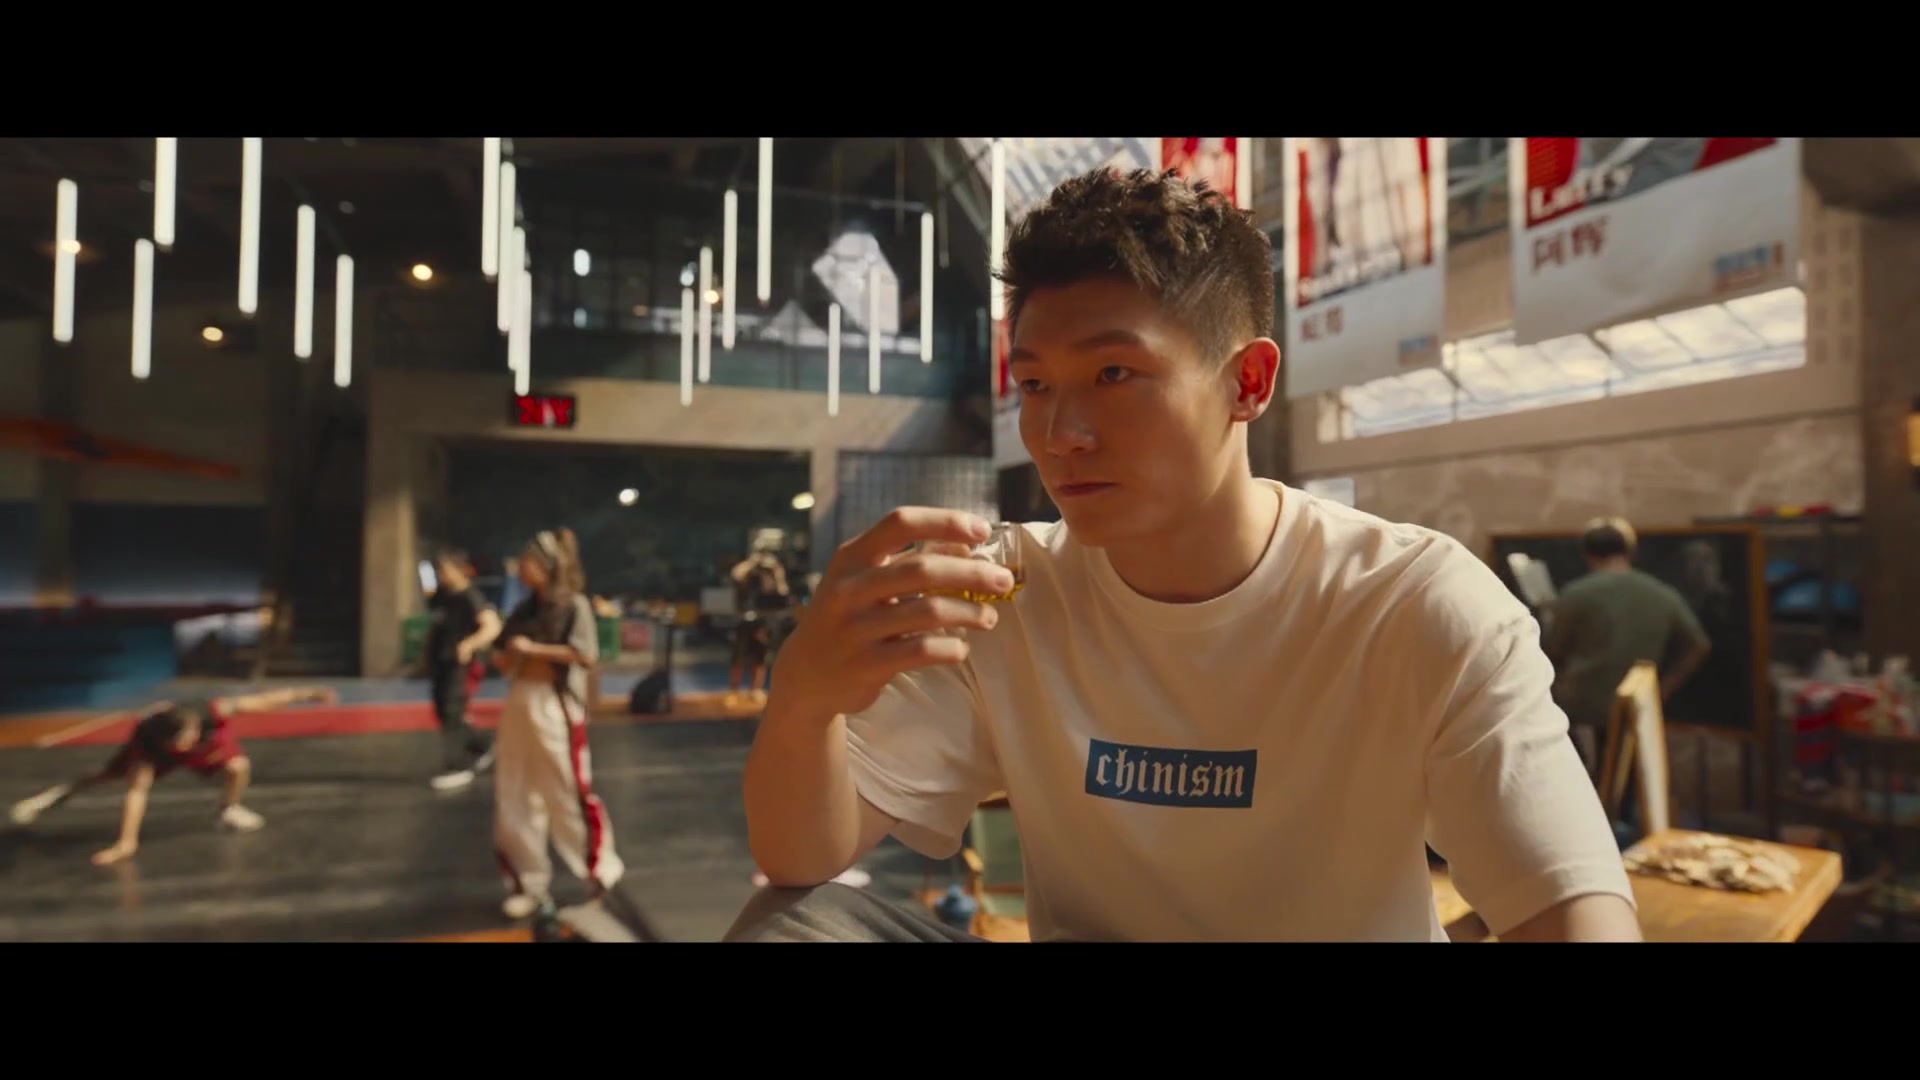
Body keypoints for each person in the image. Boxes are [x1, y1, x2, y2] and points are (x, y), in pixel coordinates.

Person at [731, 166, 1641, 943]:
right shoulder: (1005, 592)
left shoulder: (1411, 600)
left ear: (1248, 381)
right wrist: (806, 696)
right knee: (791, 926)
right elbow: (802, 857)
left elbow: (1574, 910)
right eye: (1036, 383)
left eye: (1113, 374)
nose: (1060, 433)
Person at [9, 685, 339, 866]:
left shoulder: (206, 713)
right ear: (166, 741)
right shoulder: (146, 743)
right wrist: (126, 843)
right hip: (160, 755)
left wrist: (307, 694)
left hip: (210, 746)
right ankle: (47, 800)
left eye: (191, 733)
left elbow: (262, 700)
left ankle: (229, 809)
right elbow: (137, 792)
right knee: (101, 776)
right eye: (184, 739)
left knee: (238, 766)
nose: (189, 739)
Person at [492, 527, 623, 921]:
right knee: (514, 791)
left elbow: (585, 654)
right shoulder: (525, 608)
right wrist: (508, 654)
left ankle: (599, 875)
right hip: (521, 697)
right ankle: (528, 883)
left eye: (528, 560)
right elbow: (501, 654)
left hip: (556, 702)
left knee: (567, 791)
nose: (522, 567)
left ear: (546, 565)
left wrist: (533, 650)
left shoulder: (573, 605)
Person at [1544, 517, 1713, 772]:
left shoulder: (1575, 594)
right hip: (1637, 706)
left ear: (1587, 553)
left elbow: (1554, 650)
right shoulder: (1661, 593)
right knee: (1630, 780)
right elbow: (1699, 644)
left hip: (1580, 707)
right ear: (1630, 550)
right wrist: (1664, 688)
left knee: (1585, 778)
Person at [423, 547, 501, 792]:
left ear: (460, 570)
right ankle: (482, 744)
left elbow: (492, 627)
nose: (441, 574)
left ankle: (458, 766)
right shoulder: (441, 597)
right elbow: (436, 628)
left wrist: (469, 644)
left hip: (461, 665)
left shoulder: (471, 597)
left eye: (445, 569)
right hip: (441, 661)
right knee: (442, 710)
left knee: (453, 711)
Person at [727, 543, 790, 707]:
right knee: (739, 655)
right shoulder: (747, 571)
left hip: (764, 618)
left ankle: (756, 689)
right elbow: (736, 575)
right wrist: (752, 564)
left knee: (760, 656)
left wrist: (775, 570)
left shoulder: (773, 572)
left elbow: (782, 591)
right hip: (745, 617)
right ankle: (734, 690)